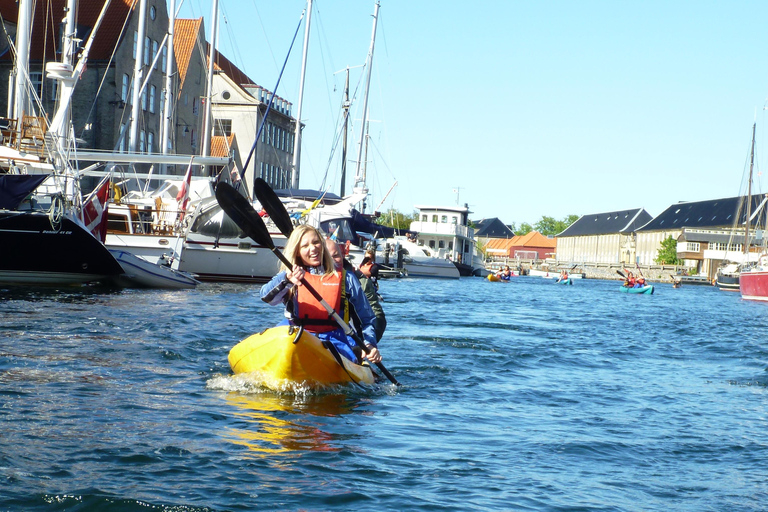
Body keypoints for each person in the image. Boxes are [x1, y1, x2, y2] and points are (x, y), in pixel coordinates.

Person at [260, 225, 381, 364]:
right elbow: (266, 297)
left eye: (316, 242)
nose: (313, 248)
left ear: (322, 245)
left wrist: (370, 344)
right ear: (297, 252)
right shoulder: (290, 275)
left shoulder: (346, 279)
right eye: (305, 245)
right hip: (295, 334)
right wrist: (287, 280)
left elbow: (367, 319)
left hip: (333, 339)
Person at [357, 254, 387, 342]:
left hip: (371, 288)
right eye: (365, 257)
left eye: (368, 258)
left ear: (372, 259)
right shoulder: (360, 267)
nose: (366, 259)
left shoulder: (374, 267)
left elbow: (369, 273)